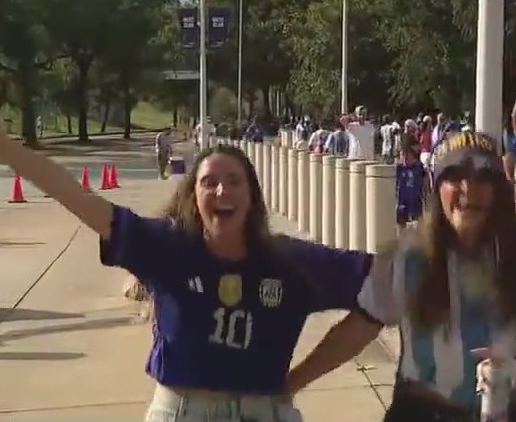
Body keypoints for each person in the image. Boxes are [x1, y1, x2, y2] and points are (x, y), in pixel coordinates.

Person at [0, 130, 372, 422]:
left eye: (234, 181)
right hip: (181, 412)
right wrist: (7, 148)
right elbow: (76, 196)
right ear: (193, 197)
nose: (222, 190)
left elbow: (382, 290)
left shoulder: (291, 261)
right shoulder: (167, 247)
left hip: (264, 411)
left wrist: (296, 380)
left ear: (253, 198)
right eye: (209, 182)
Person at [285, 131, 516, 421]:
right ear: (436, 187)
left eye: (483, 177)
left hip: (512, 412)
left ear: (500, 190)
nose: (468, 189)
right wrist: (290, 385)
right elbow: (359, 328)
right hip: (422, 411)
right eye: (454, 176)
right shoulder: (407, 258)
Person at [395, 135, 426, 228]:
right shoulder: (399, 168)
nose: (405, 158)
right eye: (402, 154)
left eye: (407, 154)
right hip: (402, 204)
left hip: (415, 203)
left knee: (417, 227)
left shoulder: (419, 168)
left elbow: (425, 186)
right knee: (401, 226)